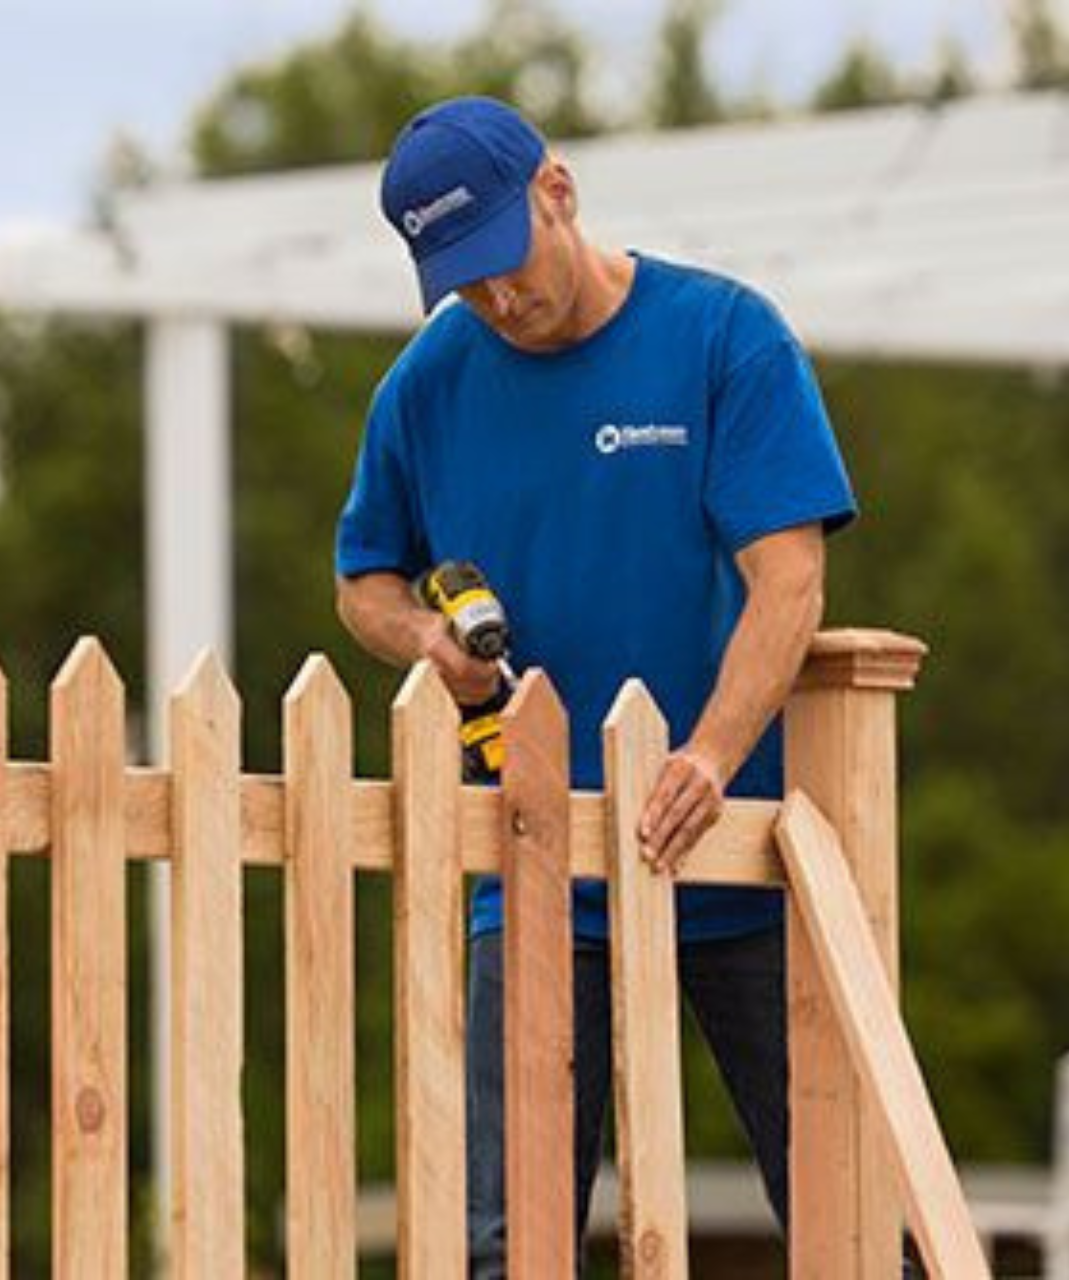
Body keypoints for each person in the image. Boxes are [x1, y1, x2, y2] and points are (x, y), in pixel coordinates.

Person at [333, 95, 856, 1275]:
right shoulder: (425, 386)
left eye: (502, 264)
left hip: (740, 854)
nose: (496, 300)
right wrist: (422, 636)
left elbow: (791, 582)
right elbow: (361, 578)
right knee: (507, 1244)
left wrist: (712, 754)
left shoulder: (725, 338)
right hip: (531, 871)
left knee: (853, 1213)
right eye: (461, 284)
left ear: (556, 193)